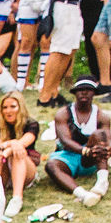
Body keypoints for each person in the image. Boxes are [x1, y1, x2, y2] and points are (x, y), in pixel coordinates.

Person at [47, 77, 111, 207]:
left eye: (88, 90)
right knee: (51, 165)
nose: (84, 93)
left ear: (94, 93)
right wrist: (85, 150)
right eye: (80, 90)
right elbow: (65, 141)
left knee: (99, 135)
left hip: (90, 159)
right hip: (67, 155)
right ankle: (83, 194)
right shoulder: (63, 114)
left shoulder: (101, 116)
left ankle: (102, 181)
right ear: (75, 93)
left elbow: (107, 138)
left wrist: (106, 148)